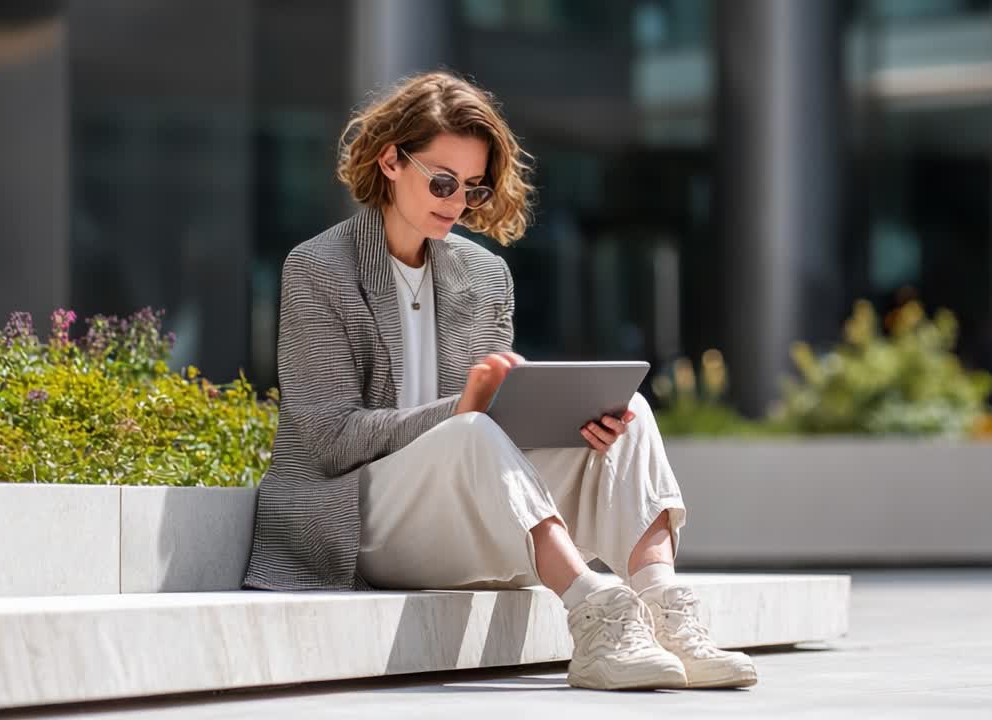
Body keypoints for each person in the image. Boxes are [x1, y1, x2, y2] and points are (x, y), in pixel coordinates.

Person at [242, 71, 756, 691]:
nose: (455, 203)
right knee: (470, 432)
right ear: (390, 161)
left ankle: (665, 609)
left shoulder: (485, 275)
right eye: (440, 181)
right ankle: (597, 615)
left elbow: (498, 425)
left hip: (465, 511)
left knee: (631, 415)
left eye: (472, 189)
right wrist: (462, 408)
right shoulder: (318, 267)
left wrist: (564, 425)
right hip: (359, 523)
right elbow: (327, 440)